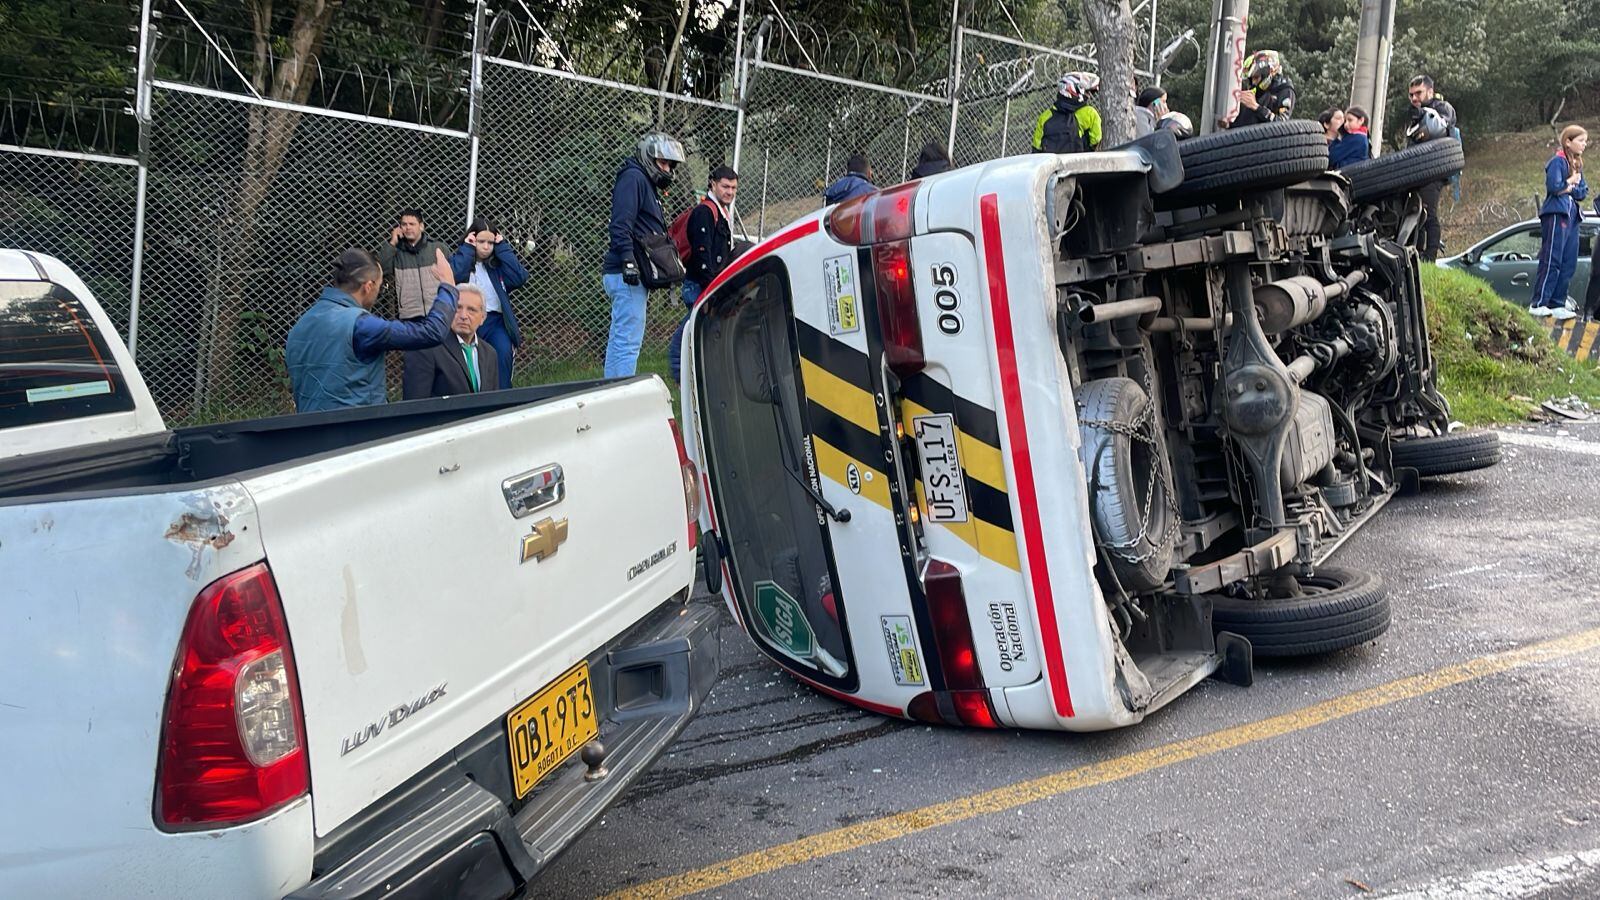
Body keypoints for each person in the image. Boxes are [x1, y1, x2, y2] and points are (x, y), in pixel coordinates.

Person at [286, 249, 457, 412]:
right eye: (380, 286)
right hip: (358, 432)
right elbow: (431, 332)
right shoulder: (361, 325)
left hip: (308, 432)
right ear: (368, 286)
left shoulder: (301, 324)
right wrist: (448, 286)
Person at [603, 131, 686, 378]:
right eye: (663, 163)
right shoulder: (633, 178)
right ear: (648, 157)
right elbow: (620, 224)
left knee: (624, 340)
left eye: (671, 165)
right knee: (626, 342)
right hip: (626, 272)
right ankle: (617, 397)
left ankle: (612, 393)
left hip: (630, 272)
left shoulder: (643, 182)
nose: (668, 170)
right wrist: (628, 260)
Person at [670, 165, 739, 383]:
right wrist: (713, 289)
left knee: (701, 331)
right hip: (700, 285)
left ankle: (695, 376)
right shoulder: (705, 212)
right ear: (713, 184)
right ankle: (680, 373)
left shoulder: (720, 212)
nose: (729, 192)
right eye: (725, 186)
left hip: (707, 284)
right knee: (691, 332)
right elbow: (702, 257)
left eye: (734, 188)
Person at [449, 220, 528, 390]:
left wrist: (502, 248)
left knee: (502, 352)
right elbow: (454, 275)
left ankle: (502, 400)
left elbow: (519, 277)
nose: (486, 247)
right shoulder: (459, 260)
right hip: (466, 320)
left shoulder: (497, 267)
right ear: (472, 240)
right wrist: (467, 249)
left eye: (491, 242)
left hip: (494, 322)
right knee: (467, 361)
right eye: (481, 242)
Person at [1529, 125, 1589, 320]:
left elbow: (1582, 192)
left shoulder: (1577, 164)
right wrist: (1570, 183)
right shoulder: (1557, 161)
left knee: (1568, 261)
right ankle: (1539, 302)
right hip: (1557, 214)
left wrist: (1570, 185)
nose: (1584, 145)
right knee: (1552, 258)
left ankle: (1557, 303)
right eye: (1580, 140)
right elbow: (1554, 187)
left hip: (1572, 215)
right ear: (1568, 142)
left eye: (1585, 141)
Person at [401, 284, 499, 399]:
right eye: (458, 308)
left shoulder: (490, 353)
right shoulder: (426, 348)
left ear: (483, 318)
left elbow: (493, 401)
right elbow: (415, 405)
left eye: (471, 310)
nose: (463, 316)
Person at [1405, 76, 1459, 260]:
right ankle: (1417, 253)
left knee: (1429, 214)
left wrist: (1427, 117)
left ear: (1430, 91)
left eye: (1418, 93)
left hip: (1435, 171)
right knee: (1415, 212)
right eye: (1411, 94)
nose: (1414, 98)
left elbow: (1441, 125)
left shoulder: (1442, 108)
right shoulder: (1414, 114)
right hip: (1416, 171)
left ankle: (1431, 256)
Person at [375, 208, 450, 321]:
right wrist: (393, 242)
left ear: (421, 226)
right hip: (408, 315)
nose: (408, 227)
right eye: (404, 224)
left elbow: (452, 275)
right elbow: (380, 269)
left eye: (412, 224)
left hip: (437, 311)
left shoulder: (437, 248)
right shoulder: (396, 252)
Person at [1033, 72, 1101, 153]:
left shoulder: (1045, 117)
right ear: (1073, 90)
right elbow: (1096, 141)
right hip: (1080, 163)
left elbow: (1036, 148)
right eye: (1086, 92)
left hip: (1052, 164)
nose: (1089, 96)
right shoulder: (1089, 113)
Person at [1227, 50, 1295, 128]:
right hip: (1248, 138)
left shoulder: (1284, 90)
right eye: (1251, 79)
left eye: (1256, 77)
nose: (1253, 83)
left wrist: (1256, 107)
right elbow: (1245, 124)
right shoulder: (1256, 91)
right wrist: (1229, 125)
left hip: (1270, 139)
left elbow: (1282, 124)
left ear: (1268, 72)